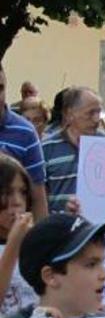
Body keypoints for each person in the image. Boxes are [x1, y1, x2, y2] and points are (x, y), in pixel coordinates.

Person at [42, 87, 105, 213]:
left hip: (99, 228)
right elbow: (39, 196)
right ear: (69, 114)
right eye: (90, 113)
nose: (96, 119)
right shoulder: (47, 148)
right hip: (60, 228)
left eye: (98, 112)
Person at [0, 65, 48, 220]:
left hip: (11, 238)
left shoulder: (25, 132)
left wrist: (41, 241)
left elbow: (38, 197)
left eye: (0, 88)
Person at [0, 157, 36, 318]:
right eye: (7, 193)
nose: (17, 202)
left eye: (22, 192)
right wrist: (13, 245)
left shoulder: (35, 241)